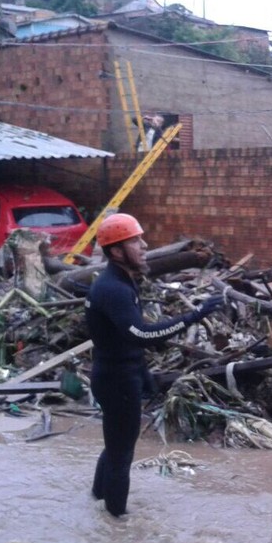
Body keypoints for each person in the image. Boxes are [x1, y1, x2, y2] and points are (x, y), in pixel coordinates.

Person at [85, 213, 223, 517]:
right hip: (117, 381)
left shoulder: (119, 280)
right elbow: (141, 333)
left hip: (118, 374)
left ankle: (95, 501)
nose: (145, 245)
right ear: (116, 251)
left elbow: (123, 338)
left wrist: (142, 371)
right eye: (135, 241)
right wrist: (194, 315)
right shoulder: (115, 289)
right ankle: (116, 530)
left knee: (115, 444)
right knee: (122, 455)